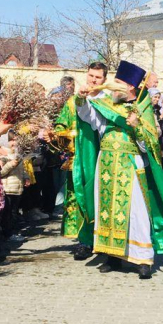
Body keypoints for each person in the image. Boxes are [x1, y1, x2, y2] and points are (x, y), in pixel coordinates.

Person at [73, 60, 163, 278]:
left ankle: (143, 260)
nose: (113, 85)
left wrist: (137, 127)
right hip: (107, 165)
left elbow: (150, 143)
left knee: (136, 212)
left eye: (118, 82)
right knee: (106, 211)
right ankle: (112, 257)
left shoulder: (143, 109)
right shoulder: (107, 105)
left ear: (129, 86)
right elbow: (88, 117)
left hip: (131, 165)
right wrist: (81, 98)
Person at [58, 61, 107, 261]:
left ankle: (105, 240)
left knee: (102, 196)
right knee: (82, 196)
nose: (93, 80)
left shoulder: (109, 100)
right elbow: (61, 123)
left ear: (105, 79)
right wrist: (61, 136)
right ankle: (84, 241)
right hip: (81, 157)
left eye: (98, 77)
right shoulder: (73, 101)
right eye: (91, 76)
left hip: (104, 156)